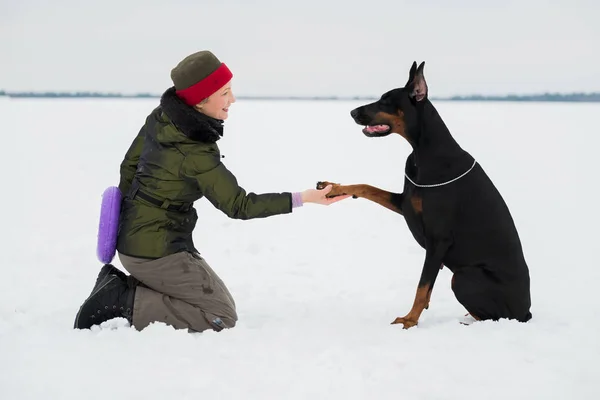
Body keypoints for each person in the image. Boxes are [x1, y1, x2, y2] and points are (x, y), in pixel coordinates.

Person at [73, 50, 348, 332]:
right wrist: (304, 198)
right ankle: (122, 300)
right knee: (219, 316)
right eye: (225, 93)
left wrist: (131, 221)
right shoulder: (196, 150)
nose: (233, 100)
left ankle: (126, 284)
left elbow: (128, 167)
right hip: (154, 251)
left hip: (141, 240)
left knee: (221, 302)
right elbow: (239, 206)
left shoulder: (162, 119)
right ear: (200, 101)